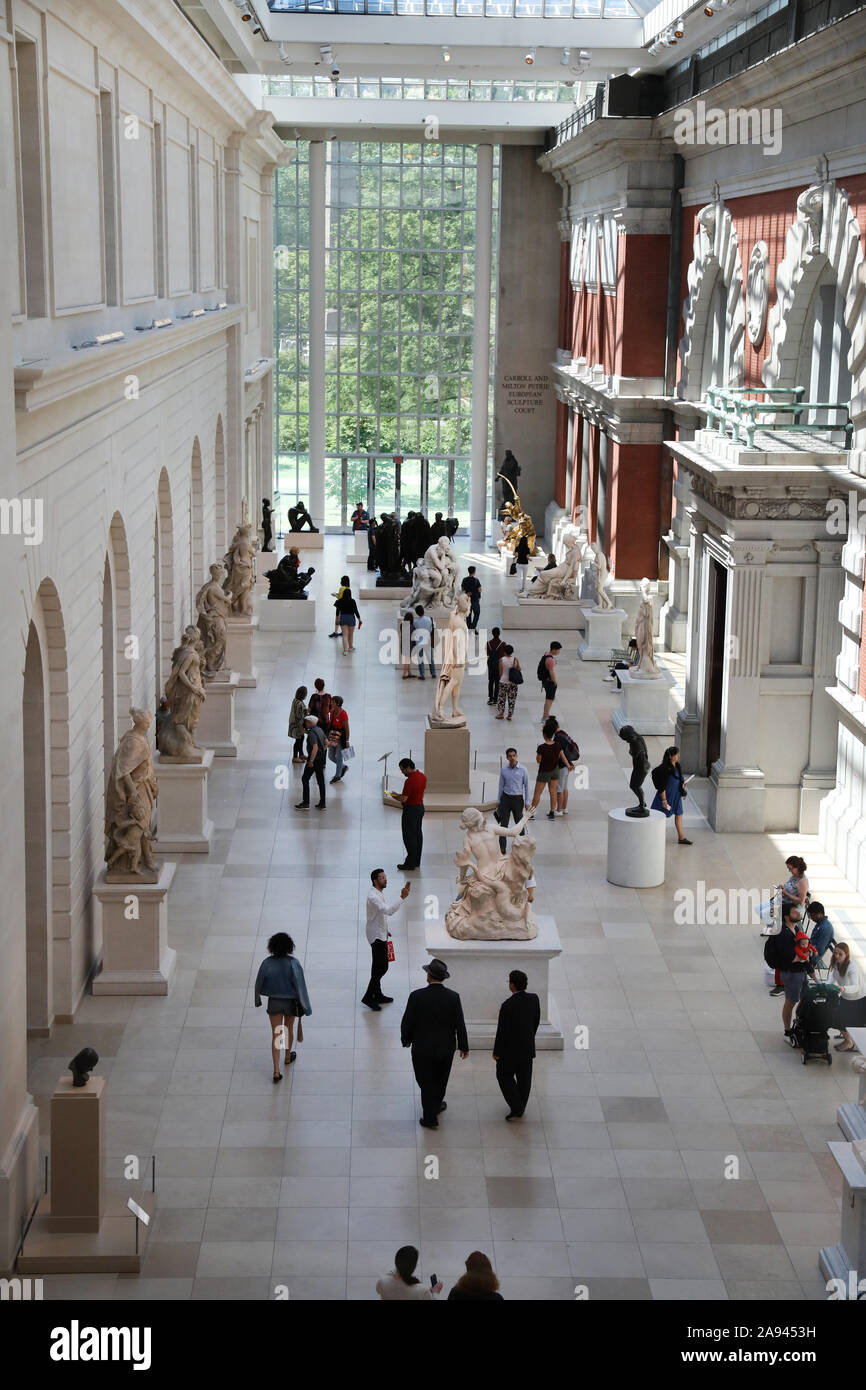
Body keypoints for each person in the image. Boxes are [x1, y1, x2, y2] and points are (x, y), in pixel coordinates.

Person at [400, 958, 469, 1129]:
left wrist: (406, 1039)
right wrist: (464, 1046)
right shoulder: (453, 997)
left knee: (425, 1081)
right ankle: (436, 1104)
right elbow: (460, 1023)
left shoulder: (416, 996)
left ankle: (430, 1117)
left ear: (429, 976)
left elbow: (407, 1021)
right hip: (445, 1048)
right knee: (441, 1079)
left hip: (422, 1048)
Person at [253, 933, 312, 1082]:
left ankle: (276, 1071)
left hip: (274, 1002)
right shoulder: (294, 963)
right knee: (289, 1028)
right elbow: (301, 986)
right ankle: (287, 1056)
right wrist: (306, 1006)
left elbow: (258, 983)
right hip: (291, 1003)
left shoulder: (267, 963)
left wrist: (258, 999)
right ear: (289, 946)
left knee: (277, 1034)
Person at [493, 969, 540, 1120]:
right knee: (524, 1079)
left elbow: (502, 1032)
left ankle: (517, 1106)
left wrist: (497, 1052)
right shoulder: (534, 999)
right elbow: (536, 1021)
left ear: (512, 985)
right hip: (527, 1047)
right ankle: (520, 1106)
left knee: (503, 1075)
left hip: (509, 1051)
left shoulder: (507, 1005)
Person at [363, 869, 410, 1011]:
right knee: (382, 966)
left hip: (380, 933)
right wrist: (402, 897)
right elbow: (388, 911)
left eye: (385, 877)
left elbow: (379, 914)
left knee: (377, 967)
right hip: (376, 936)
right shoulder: (373, 896)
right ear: (375, 880)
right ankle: (368, 996)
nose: (385, 879)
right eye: (382, 878)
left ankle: (377, 994)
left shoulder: (378, 893)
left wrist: (385, 929)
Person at [768, 855, 810, 992]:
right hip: (786, 905)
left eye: (791, 868)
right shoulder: (794, 877)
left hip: (792, 907)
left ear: (797, 868)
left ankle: (782, 984)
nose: (790, 871)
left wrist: (785, 893)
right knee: (770, 907)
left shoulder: (802, 881)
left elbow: (800, 901)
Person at [774, 902, 810, 1039]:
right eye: (794, 912)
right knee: (790, 1001)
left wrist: (805, 956)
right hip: (791, 973)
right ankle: (787, 1029)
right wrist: (805, 956)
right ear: (786, 916)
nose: (798, 914)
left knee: (805, 997)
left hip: (800, 971)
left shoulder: (795, 929)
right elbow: (791, 958)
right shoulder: (783, 933)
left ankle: (799, 1022)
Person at [650, 746, 692, 846]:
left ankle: (681, 838)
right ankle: (653, 836)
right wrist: (664, 801)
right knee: (658, 817)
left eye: (678, 754)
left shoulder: (677, 766)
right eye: (676, 754)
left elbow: (679, 780)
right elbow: (662, 787)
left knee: (679, 815)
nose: (678, 756)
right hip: (666, 797)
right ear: (670, 756)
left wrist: (683, 784)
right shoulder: (665, 769)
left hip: (676, 796)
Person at [828, 943, 866, 1051]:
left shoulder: (852, 966)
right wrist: (825, 986)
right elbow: (832, 978)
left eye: (840, 954)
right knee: (836, 1018)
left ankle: (849, 1042)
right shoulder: (836, 964)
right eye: (835, 953)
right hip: (845, 996)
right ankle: (847, 1039)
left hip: (859, 998)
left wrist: (844, 988)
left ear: (846, 955)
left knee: (849, 1021)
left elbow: (856, 987)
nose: (837, 956)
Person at [529, 726, 571, 820]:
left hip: (544, 772)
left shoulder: (541, 747)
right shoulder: (557, 745)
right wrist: (568, 765)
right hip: (555, 771)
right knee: (553, 792)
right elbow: (562, 756)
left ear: (544, 735)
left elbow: (538, 760)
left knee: (537, 793)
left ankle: (531, 813)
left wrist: (538, 753)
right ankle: (552, 813)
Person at [393, 757, 427, 870]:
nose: (402, 772)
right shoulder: (422, 776)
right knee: (418, 834)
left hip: (411, 810)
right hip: (420, 807)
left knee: (409, 837)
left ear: (408, 767)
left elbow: (404, 799)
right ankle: (417, 860)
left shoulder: (410, 781)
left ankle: (410, 863)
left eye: (403, 770)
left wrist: (394, 796)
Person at [496, 747, 531, 854]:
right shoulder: (504, 770)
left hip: (517, 799)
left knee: (519, 823)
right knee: (503, 825)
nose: (512, 758)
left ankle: (521, 846)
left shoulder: (523, 770)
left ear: (516, 756)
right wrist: (499, 800)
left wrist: (527, 802)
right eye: (510, 756)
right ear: (507, 757)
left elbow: (527, 786)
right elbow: (501, 786)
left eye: (514, 755)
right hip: (506, 799)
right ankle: (502, 849)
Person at [544, 716, 579, 816]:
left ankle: (558, 810)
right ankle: (564, 808)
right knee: (564, 788)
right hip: (566, 766)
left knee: (559, 789)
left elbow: (560, 753)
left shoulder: (558, 738)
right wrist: (569, 763)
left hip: (562, 766)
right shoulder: (563, 734)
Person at [376, 1247, 442, 1300]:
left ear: (396, 1261)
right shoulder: (422, 1290)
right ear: (413, 1267)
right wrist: (435, 1292)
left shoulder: (382, 1282)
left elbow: (378, 1290)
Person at [295, 714, 326, 810]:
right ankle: (322, 803)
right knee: (321, 781)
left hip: (314, 760)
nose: (305, 723)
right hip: (321, 759)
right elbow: (326, 742)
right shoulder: (319, 730)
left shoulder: (312, 733)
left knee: (305, 779)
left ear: (310, 722)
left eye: (306, 722)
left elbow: (315, 747)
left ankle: (306, 803)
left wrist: (311, 760)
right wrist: (323, 751)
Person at [327, 695, 350, 784]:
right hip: (333, 736)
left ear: (337, 703)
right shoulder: (332, 712)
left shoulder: (343, 714)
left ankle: (337, 776)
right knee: (331, 756)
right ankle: (343, 767)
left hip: (341, 739)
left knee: (339, 758)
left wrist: (347, 741)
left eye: (332, 702)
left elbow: (347, 729)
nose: (331, 703)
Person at [806, 902, 835, 969]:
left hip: (812, 958)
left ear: (820, 914)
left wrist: (806, 952)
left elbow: (819, 949)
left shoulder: (825, 928)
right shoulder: (820, 923)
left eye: (812, 915)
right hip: (809, 949)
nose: (811, 918)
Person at [496, 644, 521, 721]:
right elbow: (519, 669)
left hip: (503, 681)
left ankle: (501, 713)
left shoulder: (501, 660)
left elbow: (500, 673)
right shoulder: (515, 659)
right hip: (513, 683)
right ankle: (509, 715)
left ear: (504, 652)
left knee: (501, 698)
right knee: (512, 699)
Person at [411, 604, 436, 680]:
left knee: (420, 659)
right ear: (423, 611)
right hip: (427, 641)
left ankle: (422, 675)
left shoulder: (415, 622)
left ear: (417, 613)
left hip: (419, 643)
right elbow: (431, 630)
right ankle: (433, 673)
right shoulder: (429, 619)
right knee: (430, 658)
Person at [336, 584, 362, 653]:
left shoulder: (340, 601)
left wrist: (337, 619)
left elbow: (338, 611)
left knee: (345, 635)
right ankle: (350, 647)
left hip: (343, 618)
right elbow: (356, 611)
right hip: (351, 618)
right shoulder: (352, 601)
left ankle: (345, 650)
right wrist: (359, 619)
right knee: (351, 634)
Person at [539, 641, 561, 719]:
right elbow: (551, 672)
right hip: (549, 682)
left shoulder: (546, 654)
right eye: (558, 650)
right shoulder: (550, 660)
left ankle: (546, 715)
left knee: (549, 699)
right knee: (549, 700)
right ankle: (545, 717)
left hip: (545, 681)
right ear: (554, 650)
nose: (559, 651)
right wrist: (555, 681)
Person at [288, 685, 308, 762]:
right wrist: (301, 728)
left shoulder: (296, 700)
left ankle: (301, 754)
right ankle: (295, 757)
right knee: (298, 740)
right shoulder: (299, 704)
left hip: (295, 724)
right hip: (298, 726)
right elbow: (299, 717)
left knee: (300, 739)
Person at [486, 627, 504, 706]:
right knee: (497, 682)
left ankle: (490, 698)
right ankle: (496, 699)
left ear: (492, 634)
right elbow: (502, 656)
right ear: (499, 634)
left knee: (491, 681)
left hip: (490, 664)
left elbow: (488, 654)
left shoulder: (489, 643)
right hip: (498, 665)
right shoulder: (502, 644)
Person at [461, 565, 482, 631]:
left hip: (467, 600)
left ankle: (469, 628)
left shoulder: (464, 579)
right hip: (475, 599)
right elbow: (479, 590)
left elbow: (462, 589)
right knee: (477, 613)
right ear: (474, 572)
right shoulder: (476, 580)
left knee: (468, 615)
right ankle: (473, 627)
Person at [329, 574, 350, 638]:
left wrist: (335, 595)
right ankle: (343, 631)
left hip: (340, 605)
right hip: (346, 605)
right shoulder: (348, 588)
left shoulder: (341, 588)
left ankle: (335, 632)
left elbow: (340, 598)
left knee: (337, 618)